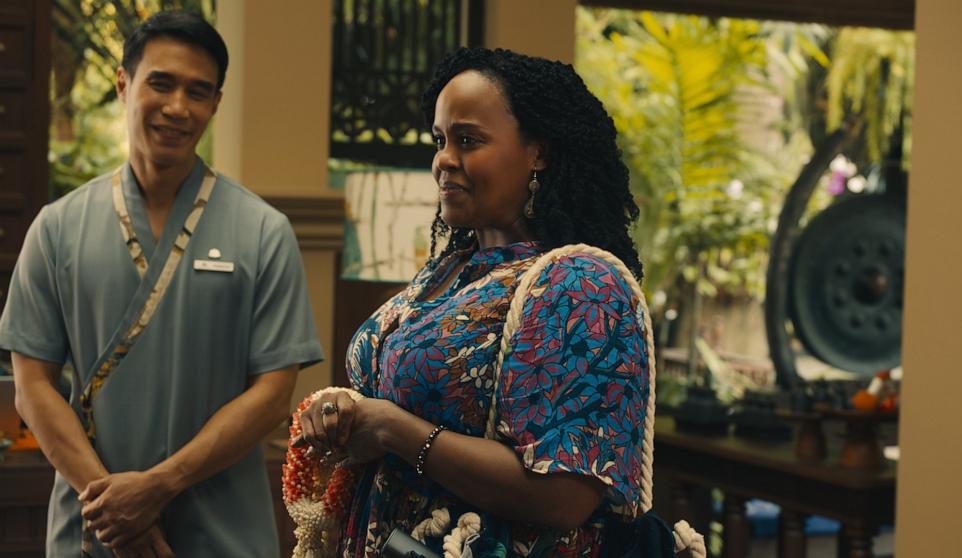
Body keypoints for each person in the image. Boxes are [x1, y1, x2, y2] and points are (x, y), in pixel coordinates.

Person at [293, 46, 652, 557]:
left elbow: (565, 495)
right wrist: (345, 409)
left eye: (468, 140)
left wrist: (393, 429)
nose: (443, 159)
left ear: (539, 152)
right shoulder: (454, 266)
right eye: (439, 140)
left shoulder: (581, 284)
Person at [0, 11, 323, 557]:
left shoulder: (263, 231)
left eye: (199, 92)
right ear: (124, 84)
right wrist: (115, 510)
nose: (178, 107)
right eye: (161, 83)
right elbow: (33, 387)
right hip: (92, 530)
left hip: (222, 532)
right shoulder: (58, 228)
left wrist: (157, 487)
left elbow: (273, 394)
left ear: (215, 105)